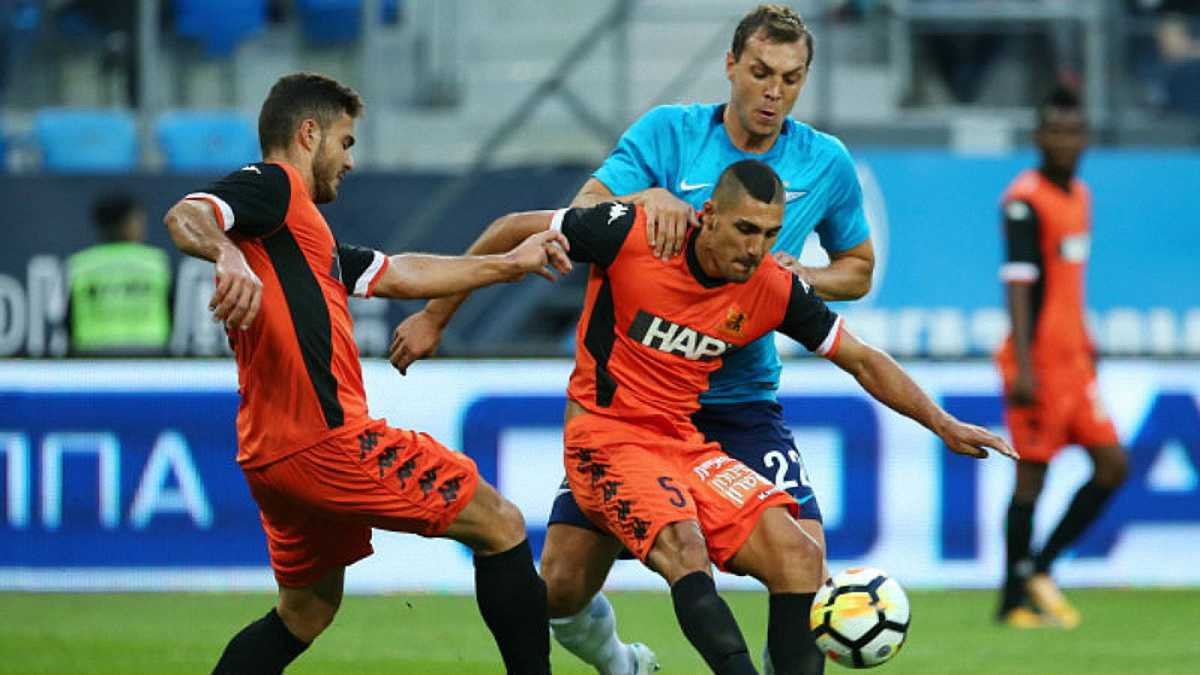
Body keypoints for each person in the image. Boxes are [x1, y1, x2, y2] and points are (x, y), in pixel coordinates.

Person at [390, 6, 874, 672]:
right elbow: (576, 214)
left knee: (802, 564)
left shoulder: (826, 162)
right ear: (730, 65)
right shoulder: (670, 133)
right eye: (761, 72)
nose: (773, 92)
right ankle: (622, 661)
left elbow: (859, 268)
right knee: (561, 586)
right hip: (638, 408)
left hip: (740, 400)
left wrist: (806, 277)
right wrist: (646, 196)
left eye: (791, 79)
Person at [403, 159, 1016, 674]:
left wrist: (942, 422)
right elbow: (510, 228)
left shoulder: (771, 285)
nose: (755, 248)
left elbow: (859, 357)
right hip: (605, 436)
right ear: (709, 216)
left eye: (769, 234)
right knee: (676, 550)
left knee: (801, 556)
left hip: (684, 442)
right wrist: (433, 318)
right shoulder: (633, 235)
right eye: (745, 229)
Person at [162, 72, 569, 674]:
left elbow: (400, 272)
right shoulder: (274, 186)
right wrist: (225, 255)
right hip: (325, 441)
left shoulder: (300, 237)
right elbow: (186, 213)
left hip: (271, 454)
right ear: (309, 133)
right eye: (345, 142)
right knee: (500, 523)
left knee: (306, 611)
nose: (350, 160)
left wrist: (509, 263)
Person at [994, 86, 1129, 629]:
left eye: (1073, 132)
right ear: (1038, 137)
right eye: (1055, 132)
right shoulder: (1023, 200)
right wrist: (1025, 366)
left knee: (1113, 466)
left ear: (1085, 138)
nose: (1065, 142)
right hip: (1037, 363)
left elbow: (1068, 284)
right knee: (1032, 478)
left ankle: (1040, 569)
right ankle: (1012, 600)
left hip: (1075, 361)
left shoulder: (1081, 196)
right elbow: (1019, 284)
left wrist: (1086, 344)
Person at [67, 193, 171, 355]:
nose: (142, 226)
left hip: (92, 353)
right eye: (137, 221)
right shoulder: (156, 263)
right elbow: (171, 309)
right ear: (123, 224)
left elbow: (68, 318)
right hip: (148, 352)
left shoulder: (80, 265)